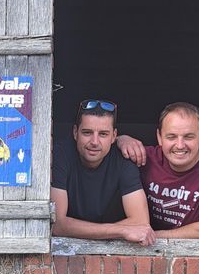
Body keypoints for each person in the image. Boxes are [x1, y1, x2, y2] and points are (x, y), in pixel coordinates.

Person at [116, 102, 199, 238]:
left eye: (188, 137)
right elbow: (100, 150)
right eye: (171, 137)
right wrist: (120, 140)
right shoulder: (142, 157)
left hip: (195, 255)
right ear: (159, 137)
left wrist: (150, 236)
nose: (180, 145)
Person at [51, 99, 156, 245]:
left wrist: (79, 229)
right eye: (87, 132)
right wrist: (122, 231)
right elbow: (57, 224)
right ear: (75, 133)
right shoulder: (60, 154)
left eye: (103, 134)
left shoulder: (124, 157)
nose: (94, 141)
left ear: (114, 136)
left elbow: (140, 222)